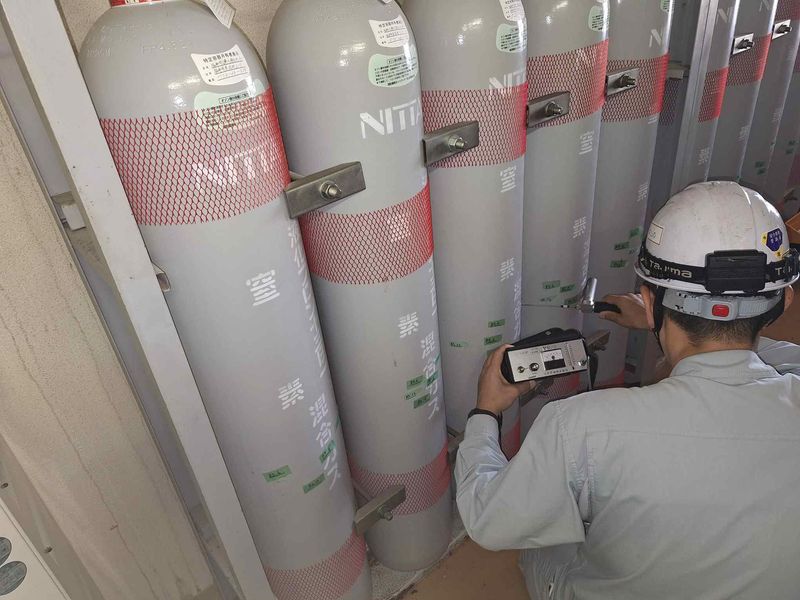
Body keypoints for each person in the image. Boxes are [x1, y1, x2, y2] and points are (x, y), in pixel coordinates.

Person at [455, 181, 800, 599]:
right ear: (784, 301)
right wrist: (662, 320)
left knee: (546, 543)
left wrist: (486, 413)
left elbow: (487, 520)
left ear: (649, 301)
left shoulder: (582, 427)